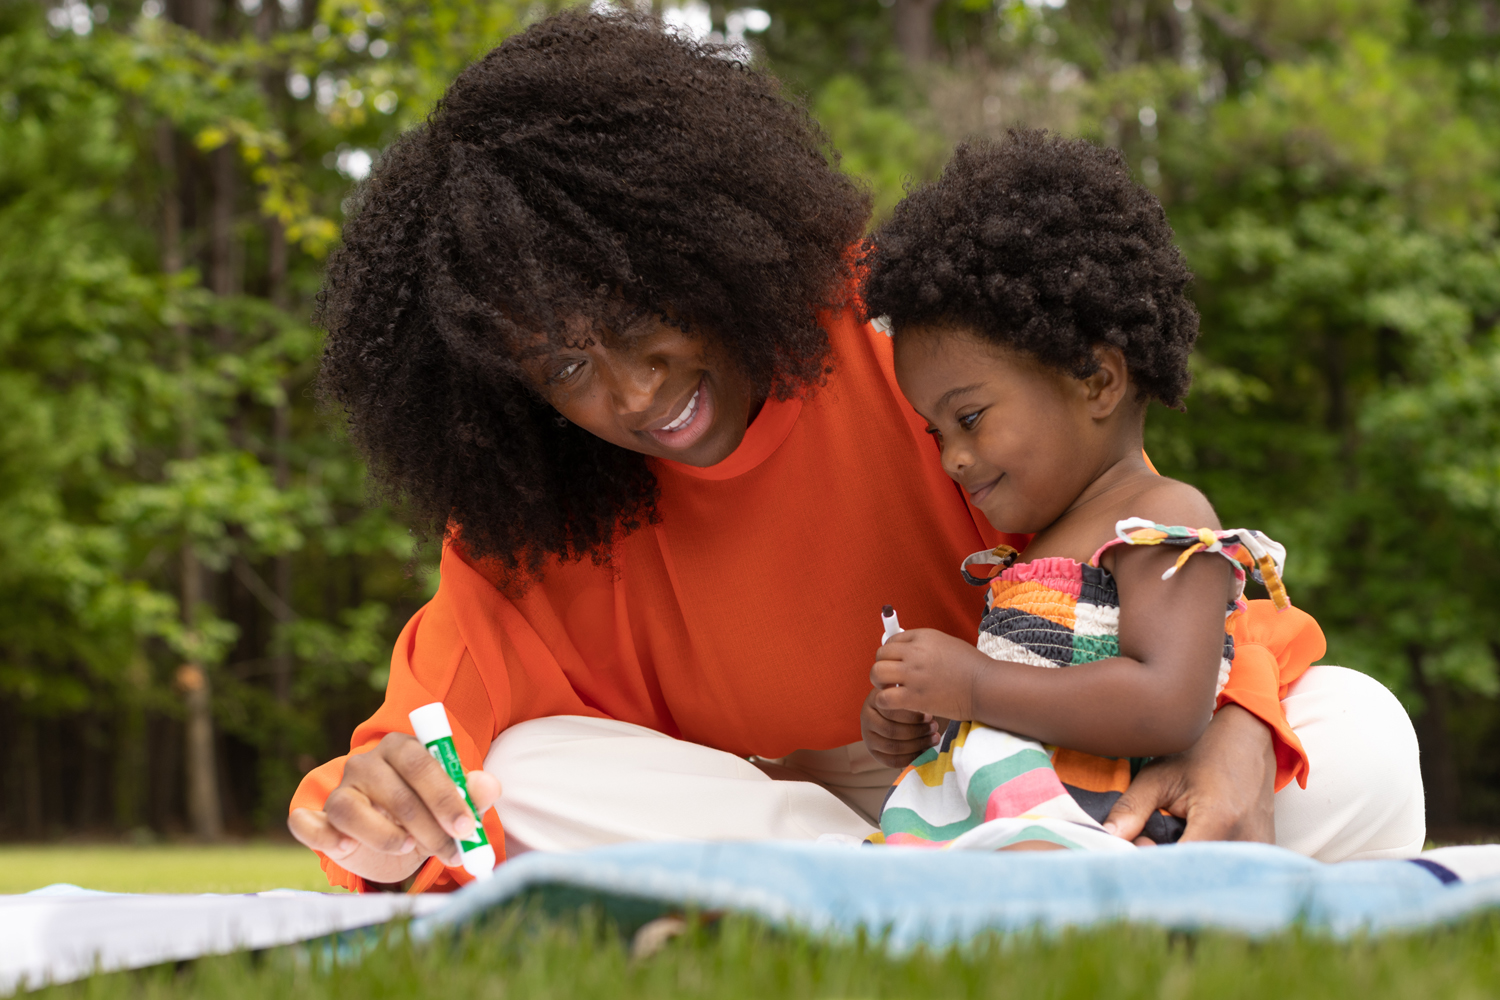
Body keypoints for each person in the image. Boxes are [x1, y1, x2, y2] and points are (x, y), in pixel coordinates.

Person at [287, 10, 1425, 893]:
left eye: (643, 320)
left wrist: (1241, 728)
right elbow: (414, 776)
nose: (633, 392)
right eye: (564, 367)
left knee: (1361, 733)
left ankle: (981, 916)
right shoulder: (529, 520)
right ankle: (981, 916)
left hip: (1050, 800)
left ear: (707, 240)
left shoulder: (914, 343)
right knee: (534, 776)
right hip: (834, 840)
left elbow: (1179, 560)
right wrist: (376, 821)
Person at [861, 132, 1312, 852]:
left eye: (970, 417)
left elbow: (1167, 706)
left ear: (1097, 380)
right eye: (935, 431)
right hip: (1011, 814)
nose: (951, 458)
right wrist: (917, 717)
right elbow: (1039, 702)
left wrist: (973, 684)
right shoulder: (1040, 550)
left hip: (1095, 828)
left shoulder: (1162, 520)